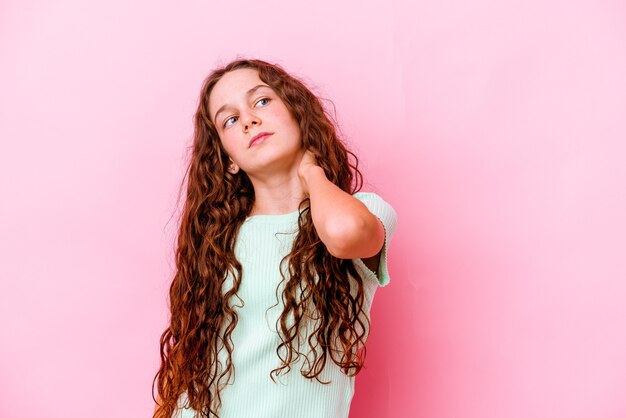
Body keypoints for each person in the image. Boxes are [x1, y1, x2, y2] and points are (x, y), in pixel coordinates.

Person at [152, 58, 398, 418]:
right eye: (230, 120)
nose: (249, 119)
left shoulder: (363, 210)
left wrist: (312, 171)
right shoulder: (218, 242)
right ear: (229, 160)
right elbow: (191, 366)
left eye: (262, 101)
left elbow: (345, 235)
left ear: (298, 114)